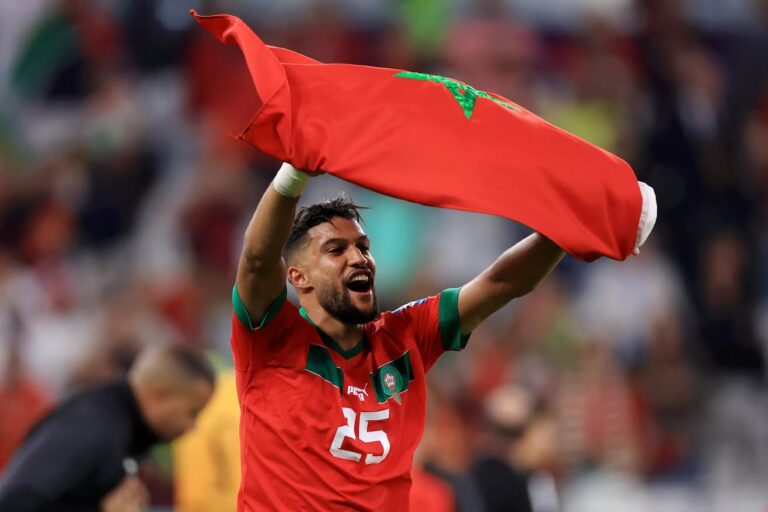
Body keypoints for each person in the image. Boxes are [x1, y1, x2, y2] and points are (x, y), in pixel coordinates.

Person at [231, 162, 650, 510]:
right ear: (298, 277)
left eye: (363, 246)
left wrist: (572, 224)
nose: (358, 257)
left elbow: (501, 283)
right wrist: (294, 173)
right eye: (335, 250)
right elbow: (256, 261)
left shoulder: (405, 335)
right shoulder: (271, 337)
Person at [0, 344, 215, 512]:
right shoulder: (92, 425)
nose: (194, 426)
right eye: (192, 412)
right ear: (160, 395)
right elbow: (14, 502)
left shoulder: (124, 429)